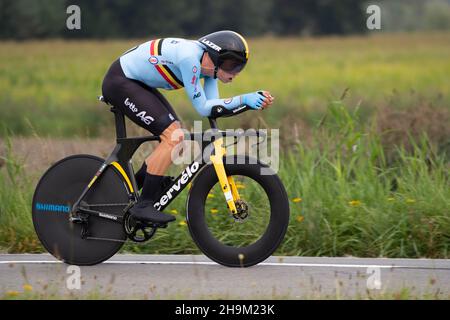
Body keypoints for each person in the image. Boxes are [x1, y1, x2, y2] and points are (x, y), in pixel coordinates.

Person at [101, 30, 274, 225]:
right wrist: (245, 98)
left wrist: (249, 103)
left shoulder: (209, 69)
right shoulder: (189, 58)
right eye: (231, 65)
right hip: (120, 82)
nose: (234, 74)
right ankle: (143, 206)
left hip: (135, 82)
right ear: (215, 57)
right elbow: (203, 107)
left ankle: (130, 189)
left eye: (239, 67)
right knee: (173, 137)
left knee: (178, 137)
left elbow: (214, 107)